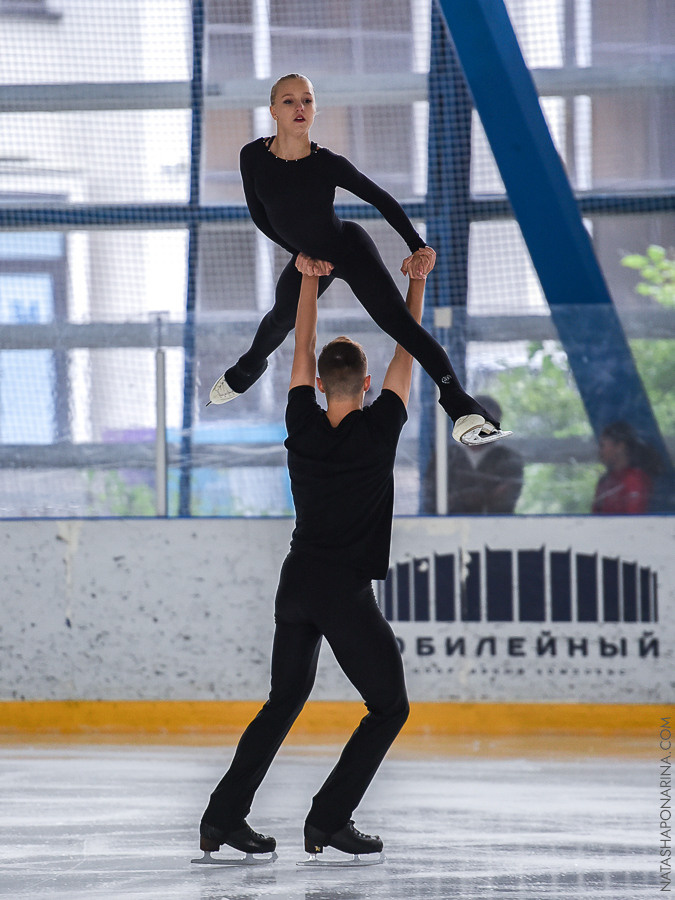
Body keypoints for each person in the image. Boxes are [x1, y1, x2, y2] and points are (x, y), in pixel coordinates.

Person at [198, 266, 426, 862]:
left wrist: (307, 278)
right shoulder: (382, 428)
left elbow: (300, 342)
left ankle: (223, 817)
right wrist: (416, 281)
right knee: (390, 706)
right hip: (341, 591)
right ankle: (328, 819)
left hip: (296, 582)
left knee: (284, 699)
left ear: (320, 384)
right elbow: (410, 343)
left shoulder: (300, 420)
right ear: (369, 383)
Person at [207, 72, 508, 446]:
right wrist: (300, 256)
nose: (300, 107)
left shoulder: (328, 163)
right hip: (310, 256)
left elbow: (380, 198)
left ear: (315, 109)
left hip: (347, 247)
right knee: (279, 319)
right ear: (273, 110)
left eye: (307, 100)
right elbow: (260, 217)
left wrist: (417, 245)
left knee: (401, 326)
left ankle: (460, 405)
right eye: (289, 101)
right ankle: (248, 367)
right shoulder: (251, 156)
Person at [421, 395, 524, 514]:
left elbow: (506, 499)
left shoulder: (508, 458)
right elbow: (433, 498)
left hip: (495, 527)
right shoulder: (445, 457)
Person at [592, 421, 660, 514]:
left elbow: (633, 520)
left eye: (602, 446)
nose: (600, 452)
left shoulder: (635, 480)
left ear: (620, 447)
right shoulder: (605, 481)